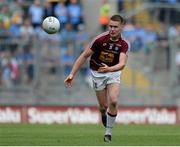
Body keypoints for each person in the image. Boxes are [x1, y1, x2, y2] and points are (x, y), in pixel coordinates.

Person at [64, 14, 130, 142]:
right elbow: (84, 56)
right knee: (103, 106)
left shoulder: (124, 44)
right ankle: (102, 113)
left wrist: (109, 69)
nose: (112, 29)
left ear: (121, 27)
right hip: (97, 73)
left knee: (114, 101)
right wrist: (72, 74)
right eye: (110, 26)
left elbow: (122, 64)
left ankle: (108, 133)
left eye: (115, 27)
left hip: (113, 72)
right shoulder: (99, 40)